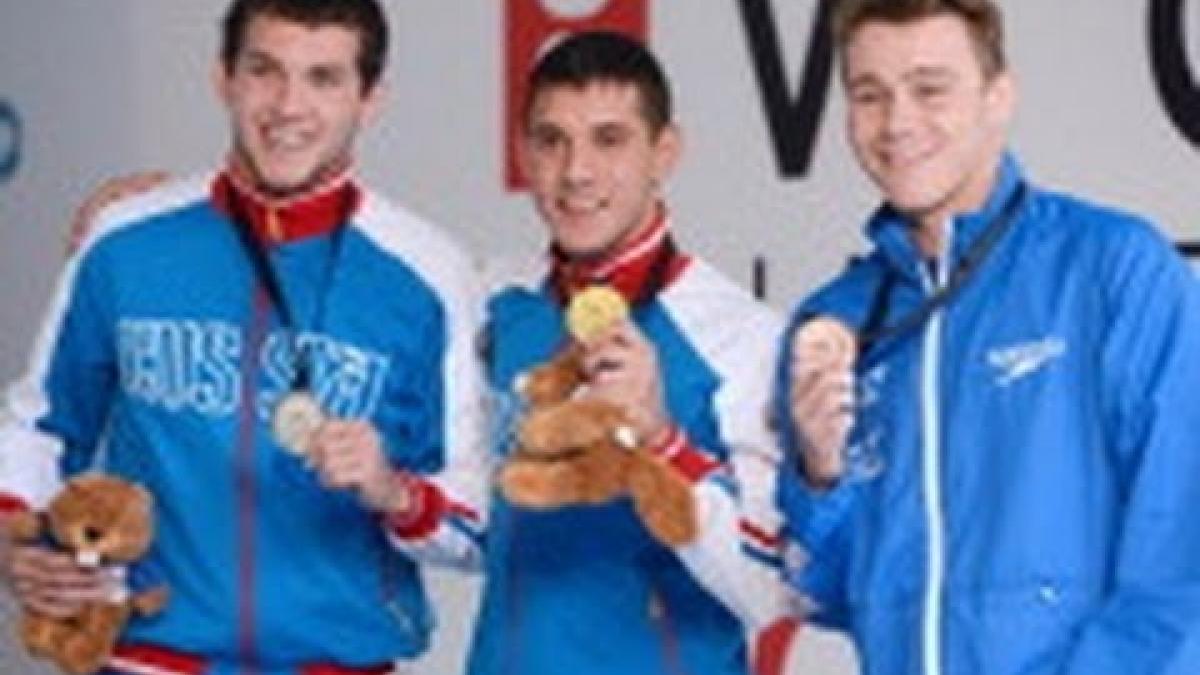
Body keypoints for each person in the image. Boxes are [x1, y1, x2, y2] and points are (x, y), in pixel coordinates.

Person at [0, 1, 488, 673]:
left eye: (323, 78)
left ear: (369, 98)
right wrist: (13, 540)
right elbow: (40, 428)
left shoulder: (430, 275)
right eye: (265, 71)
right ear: (224, 76)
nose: (288, 106)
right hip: (150, 657)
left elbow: (477, 523)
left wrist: (390, 488)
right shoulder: (124, 240)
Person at [775, 0, 1200, 673]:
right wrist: (819, 474)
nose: (897, 122)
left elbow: (1181, 566)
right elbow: (824, 593)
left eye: (929, 89)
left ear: (999, 97)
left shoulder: (1115, 267)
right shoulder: (835, 321)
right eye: (869, 94)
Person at [468, 31, 796, 675]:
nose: (576, 172)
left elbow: (769, 589)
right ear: (524, 153)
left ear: (663, 152)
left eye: (609, 140)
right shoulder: (496, 307)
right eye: (551, 140)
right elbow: (468, 520)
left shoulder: (740, 336)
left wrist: (661, 437)